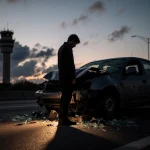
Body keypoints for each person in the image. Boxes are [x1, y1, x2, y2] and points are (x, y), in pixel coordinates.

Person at [58, 34, 80, 125]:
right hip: (67, 77)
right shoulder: (67, 48)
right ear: (72, 40)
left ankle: (61, 118)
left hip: (62, 76)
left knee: (64, 98)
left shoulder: (61, 47)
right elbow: (70, 64)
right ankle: (64, 120)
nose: (75, 46)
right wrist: (73, 77)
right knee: (67, 98)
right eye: (75, 43)